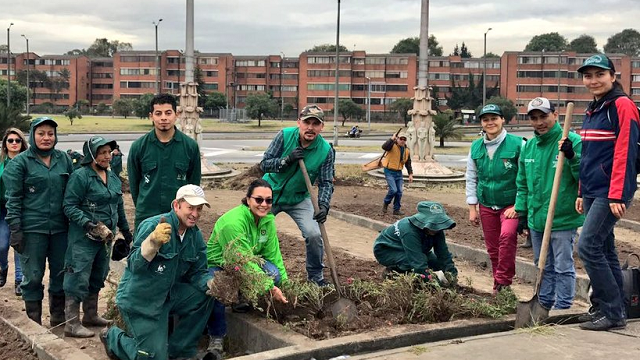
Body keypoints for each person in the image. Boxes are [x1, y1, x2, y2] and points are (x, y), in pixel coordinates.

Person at [101, 184, 216, 360]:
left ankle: (179, 351)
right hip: (142, 300)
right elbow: (134, 266)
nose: (195, 214)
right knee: (151, 357)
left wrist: (210, 283)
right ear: (176, 205)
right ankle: (113, 338)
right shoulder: (154, 226)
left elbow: (198, 272)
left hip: (169, 295)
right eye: (190, 207)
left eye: (199, 209)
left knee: (205, 295)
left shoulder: (194, 235)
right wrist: (152, 244)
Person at [575, 54, 640, 331]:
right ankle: (612, 307)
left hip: (610, 191)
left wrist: (617, 194)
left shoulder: (622, 105)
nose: (593, 80)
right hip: (592, 189)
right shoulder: (594, 108)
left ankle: (612, 312)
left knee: (587, 246)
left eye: (599, 74)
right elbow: (589, 155)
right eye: (588, 76)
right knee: (604, 248)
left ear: (612, 76)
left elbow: (627, 152)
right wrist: (581, 191)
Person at [205, 179, 288, 359]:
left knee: (274, 273)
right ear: (248, 199)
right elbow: (241, 262)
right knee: (218, 287)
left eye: (268, 200)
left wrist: (285, 282)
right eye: (259, 200)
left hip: (246, 262)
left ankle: (241, 298)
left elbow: (274, 255)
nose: (264, 204)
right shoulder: (233, 223)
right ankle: (217, 337)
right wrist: (270, 287)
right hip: (221, 264)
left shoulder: (267, 221)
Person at [514, 97, 583, 310]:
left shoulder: (571, 141)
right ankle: (544, 303)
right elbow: (523, 183)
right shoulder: (529, 146)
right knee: (542, 264)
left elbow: (583, 179)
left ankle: (563, 306)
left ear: (555, 115)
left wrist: (572, 156)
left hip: (562, 217)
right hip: (537, 219)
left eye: (543, 116)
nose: (539, 122)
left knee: (563, 266)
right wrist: (521, 212)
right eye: (534, 118)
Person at [3, 117, 74, 325]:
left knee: (60, 274)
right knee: (33, 276)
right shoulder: (20, 163)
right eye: (41, 133)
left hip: (61, 228)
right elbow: (13, 198)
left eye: (50, 134)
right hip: (32, 229)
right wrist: (15, 228)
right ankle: (33, 323)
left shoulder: (64, 160)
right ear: (33, 135)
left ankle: (58, 319)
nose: (46, 138)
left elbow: (72, 192)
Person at [62, 136, 133, 338]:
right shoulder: (81, 177)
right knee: (78, 276)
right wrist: (87, 223)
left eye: (108, 152)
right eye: (101, 152)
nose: (106, 156)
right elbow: (69, 206)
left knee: (98, 274)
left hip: (105, 239)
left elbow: (118, 206)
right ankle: (71, 323)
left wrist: (126, 232)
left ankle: (90, 315)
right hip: (83, 238)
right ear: (91, 154)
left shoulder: (112, 178)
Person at [260, 104, 335, 286]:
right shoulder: (285, 135)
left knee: (314, 235)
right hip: (269, 195)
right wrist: (286, 160)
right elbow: (264, 164)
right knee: (259, 234)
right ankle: (254, 273)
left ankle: (316, 278)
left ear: (321, 127)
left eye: (315, 124)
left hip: (299, 198)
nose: (310, 128)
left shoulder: (325, 151)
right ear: (299, 122)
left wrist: (324, 206)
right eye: (306, 122)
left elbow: (326, 182)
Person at [466, 104, 523, 294]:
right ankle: (499, 288)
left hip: (511, 204)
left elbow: (526, 176)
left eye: (494, 118)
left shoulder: (518, 144)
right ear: (481, 123)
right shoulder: (476, 146)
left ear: (502, 120)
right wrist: (472, 207)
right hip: (487, 204)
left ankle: (503, 281)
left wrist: (520, 204)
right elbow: (471, 176)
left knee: (506, 237)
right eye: (486, 120)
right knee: (492, 248)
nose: (490, 123)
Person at [127, 93, 201, 229]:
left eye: (168, 113)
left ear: (176, 114)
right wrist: (143, 207)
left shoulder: (190, 147)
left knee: (179, 250)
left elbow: (194, 184)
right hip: (147, 216)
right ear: (151, 116)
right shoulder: (138, 147)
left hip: (179, 217)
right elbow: (134, 184)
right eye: (158, 113)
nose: (163, 118)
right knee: (144, 250)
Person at [373, 201, 458, 281]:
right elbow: (417, 261)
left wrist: (451, 273)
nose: (435, 228)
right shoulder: (409, 231)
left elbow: (443, 253)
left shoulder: (437, 230)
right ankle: (393, 273)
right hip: (387, 250)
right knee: (415, 264)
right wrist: (429, 280)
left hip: (416, 249)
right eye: (433, 224)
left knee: (437, 264)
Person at [0, 128, 28, 296]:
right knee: (2, 244)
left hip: (21, 209)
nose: (14, 143)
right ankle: (3, 268)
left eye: (18, 140)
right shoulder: (1, 161)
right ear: (5, 144)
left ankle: (19, 279)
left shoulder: (28, 161)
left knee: (18, 244)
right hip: (2, 209)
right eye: (10, 140)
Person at [381, 129, 414, 215]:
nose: (402, 141)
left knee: (399, 192)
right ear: (397, 139)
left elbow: (408, 162)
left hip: (398, 172)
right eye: (401, 139)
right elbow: (384, 147)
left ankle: (396, 210)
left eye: (404, 139)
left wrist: (410, 174)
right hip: (389, 170)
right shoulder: (391, 145)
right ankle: (386, 203)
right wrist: (391, 139)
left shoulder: (406, 150)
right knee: (393, 190)